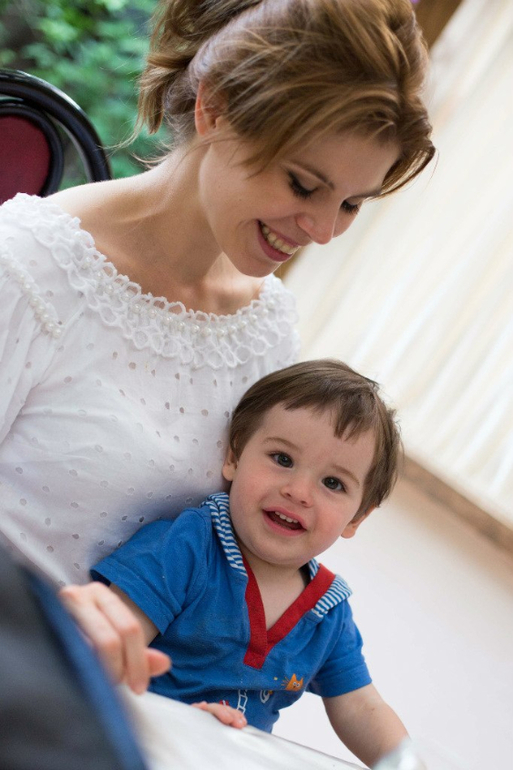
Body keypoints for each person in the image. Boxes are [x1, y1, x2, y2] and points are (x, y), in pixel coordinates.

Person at [0, 0, 434, 591]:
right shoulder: (27, 268)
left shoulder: (264, 327)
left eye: (351, 204)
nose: (324, 230)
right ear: (215, 108)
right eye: (303, 184)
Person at [61, 359, 406, 769]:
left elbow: (363, 707)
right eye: (282, 458)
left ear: (357, 518)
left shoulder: (328, 612)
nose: (298, 491)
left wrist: (408, 763)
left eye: (333, 483)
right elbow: (106, 646)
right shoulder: (186, 546)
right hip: (136, 746)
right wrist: (181, 723)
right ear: (234, 457)